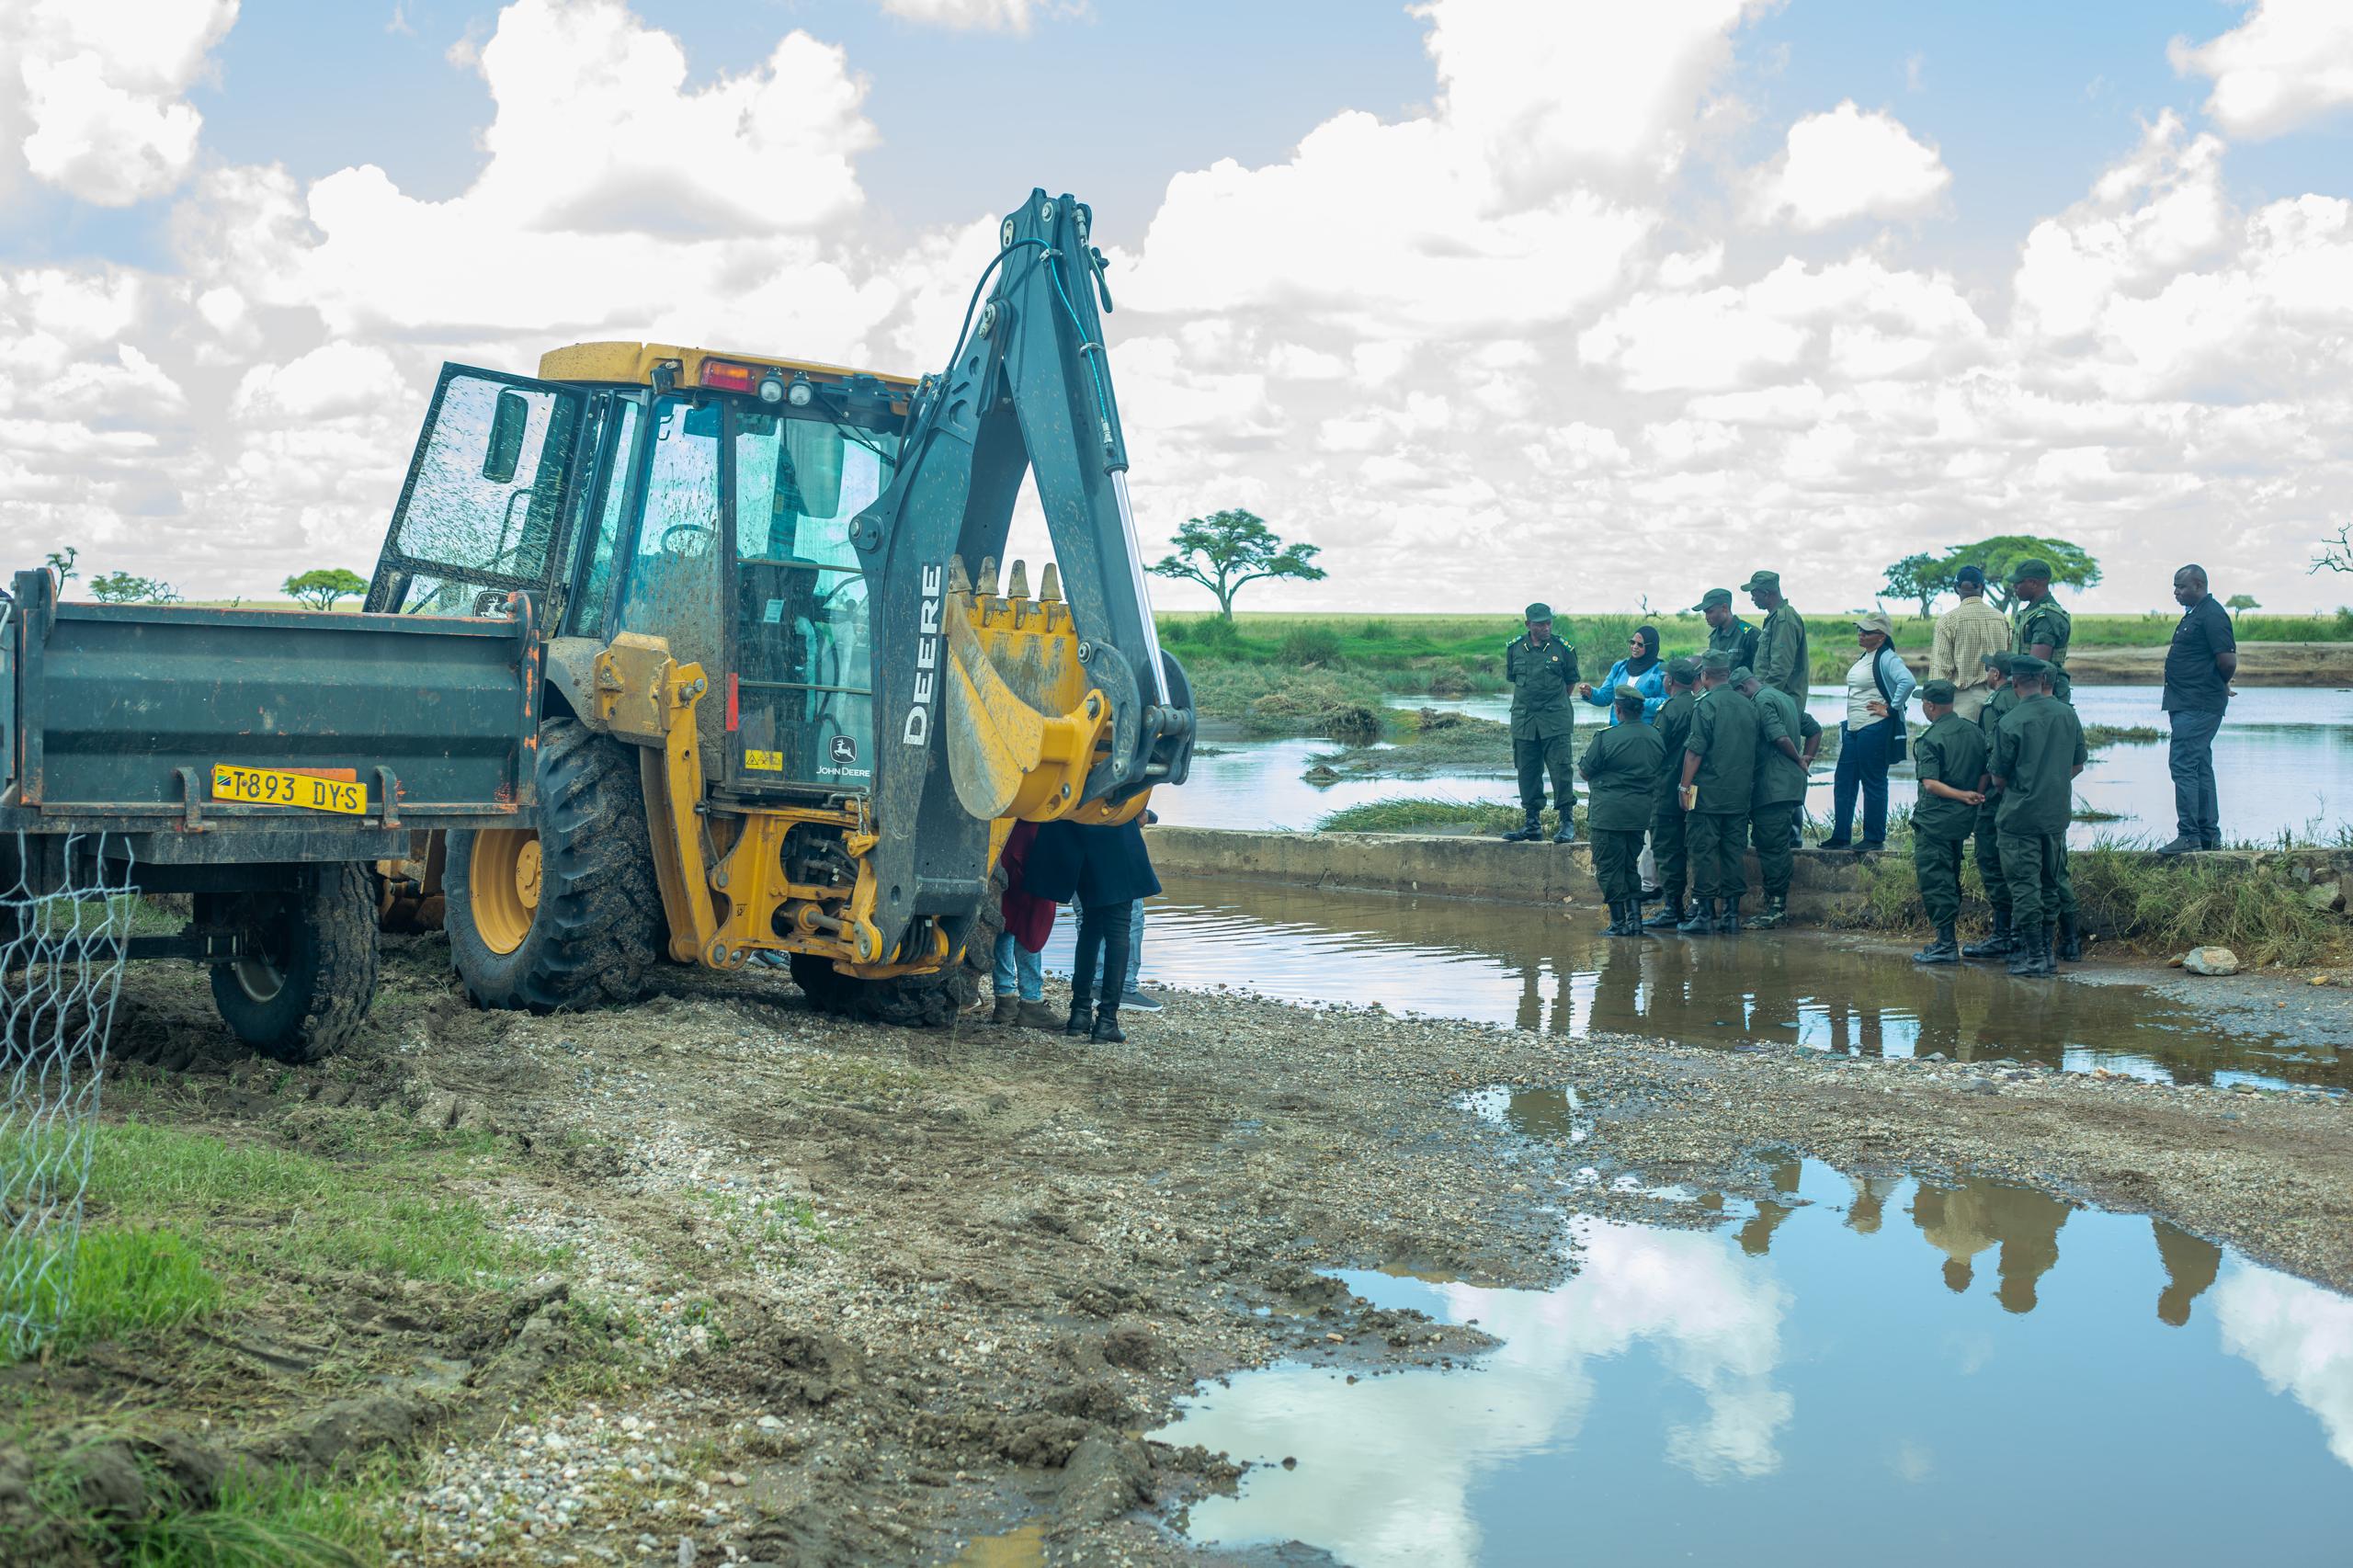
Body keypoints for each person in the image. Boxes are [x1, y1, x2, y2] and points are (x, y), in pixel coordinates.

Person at [1025, 812, 1161, 1040]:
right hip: (1113, 834)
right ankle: (1107, 1020)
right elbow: (1133, 798)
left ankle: (1080, 1013)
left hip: (1075, 838)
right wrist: (1140, 812)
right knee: (1119, 930)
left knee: (1091, 926)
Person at [1989, 657, 2085, 977]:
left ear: (2015, 683)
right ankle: (2048, 955)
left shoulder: (2010, 721)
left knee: (2024, 885)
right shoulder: (2067, 714)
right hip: (2056, 814)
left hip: (2020, 816)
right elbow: (2077, 765)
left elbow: (1999, 778)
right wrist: (2051, 785)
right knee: (2050, 880)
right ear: (2044, 680)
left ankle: (2037, 956)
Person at [1908, 679, 1990, 963]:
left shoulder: (1931, 738)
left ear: (1930, 705)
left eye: (1923, 704)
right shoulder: (1974, 731)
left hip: (1935, 822)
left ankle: (1945, 944)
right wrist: (1975, 795)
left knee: (1935, 879)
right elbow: (1985, 770)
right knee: (1951, 876)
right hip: (1962, 821)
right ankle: (1944, 940)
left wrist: (1961, 795)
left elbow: (1930, 784)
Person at [1820, 610, 1915, 852]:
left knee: (1873, 782)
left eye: (1866, 631)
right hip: (1854, 728)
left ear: (1881, 636)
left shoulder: (1887, 658)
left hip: (1874, 728)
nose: (1860, 634)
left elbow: (1908, 682)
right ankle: (1841, 835)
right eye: (1859, 630)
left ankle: (1874, 838)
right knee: (1844, 780)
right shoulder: (1866, 655)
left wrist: (1891, 709)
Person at [2159, 563, 2236, 856]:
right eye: (2175, 588)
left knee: (2182, 766)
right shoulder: (2194, 615)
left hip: (2198, 704)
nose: (2176, 593)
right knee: (2200, 766)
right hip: (2186, 703)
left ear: (2198, 585)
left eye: (2181, 587)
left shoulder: (2213, 614)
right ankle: (2208, 837)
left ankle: (2189, 836)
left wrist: (2221, 684)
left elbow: (2227, 661)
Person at [1677, 651, 1756, 933]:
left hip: (1708, 794)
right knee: (1734, 851)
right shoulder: (1748, 705)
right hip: (1739, 795)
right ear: (1728, 673)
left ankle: (1704, 914)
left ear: (1704, 675)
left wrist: (1684, 787)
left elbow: (1695, 752)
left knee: (1704, 851)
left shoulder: (1705, 706)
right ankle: (1731, 916)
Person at [1737, 667, 1820, 929]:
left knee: (1773, 846)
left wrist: (1799, 758)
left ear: (1743, 689)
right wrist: (1807, 757)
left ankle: (1777, 909)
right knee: (1768, 840)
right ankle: (1772, 902)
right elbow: (1814, 730)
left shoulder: (1761, 701)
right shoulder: (1784, 698)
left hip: (1773, 787)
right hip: (1787, 785)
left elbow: (1779, 736)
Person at [1579, 685, 1665, 935]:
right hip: (1639, 815)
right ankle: (1636, 922)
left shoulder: (1606, 737)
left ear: (1618, 709)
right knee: (1630, 866)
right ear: (1640, 709)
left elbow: (1585, 771)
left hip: (1609, 815)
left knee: (1609, 869)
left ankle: (1618, 924)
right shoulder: (1655, 736)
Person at [1503, 601, 1579, 843]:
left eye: (1548, 622)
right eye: (1540, 624)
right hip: (1525, 721)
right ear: (1528, 625)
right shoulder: (1515, 648)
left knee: (1561, 771)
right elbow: (1514, 679)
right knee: (1527, 772)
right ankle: (1532, 825)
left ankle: (1567, 823)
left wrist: (1552, 705)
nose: (1546, 627)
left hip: (1555, 720)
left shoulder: (1563, 648)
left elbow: (1570, 684)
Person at [1962, 652, 2020, 960]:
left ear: (1996, 674)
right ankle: (2024, 938)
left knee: (1993, 863)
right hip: (2029, 798)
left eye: (1988, 670)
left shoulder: (1995, 705)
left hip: (1998, 798)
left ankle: (2003, 936)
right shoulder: (2030, 701)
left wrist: (1979, 794)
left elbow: (1990, 756)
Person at [1643, 657, 1701, 929]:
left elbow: (1656, 748)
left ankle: (1672, 907)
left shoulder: (1671, 709)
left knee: (1667, 846)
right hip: (1694, 788)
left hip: (1668, 789)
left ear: (1671, 681)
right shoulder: (1700, 704)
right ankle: (1697, 906)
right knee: (1693, 844)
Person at [991, 820, 1060, 1028]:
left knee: (1002, 918)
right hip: (1033, 835)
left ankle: (1005, 1000)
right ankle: (1031, 1002)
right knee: (1031, 919)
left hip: (1002, 835)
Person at [1927, 564, 2009, 722]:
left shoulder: (1947, 621)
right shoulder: (2001, 618)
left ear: (1956, 588)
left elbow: (1940, 671)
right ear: (1982, 587)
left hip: (1963, 704)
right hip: (1998, 700)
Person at [2007, 558, 2074, 702]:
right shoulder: (2032, 611)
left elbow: (2035, 666)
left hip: (2042, 693)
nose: (2014, 586)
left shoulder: (2046, 617)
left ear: (2033, 583)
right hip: (2029, 689)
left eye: (2018, 582)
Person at [1743, 570, 1809, 703]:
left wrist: (1761, 697)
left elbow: (1780, 669)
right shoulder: (1775, 618)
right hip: (1774, 698)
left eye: (1754, 595)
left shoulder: (1784, 620)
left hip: (1781, 701)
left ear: (1766, 594)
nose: (1752, 599)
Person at [1576, 625, 1666, 722]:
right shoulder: (1619, 667)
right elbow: (1605, 697)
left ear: (1651, 647)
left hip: (1645, 730)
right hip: (1617, 729)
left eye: (1640, 644)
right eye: (1632, 642)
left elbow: (1666, 703)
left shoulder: (1662, 670)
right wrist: (1591, 693)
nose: (1634, 647)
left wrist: (1638, 702)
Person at [1694, 588, 1760, 673]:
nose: (1706, 617)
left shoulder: (1749, 633)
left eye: (1710, 612)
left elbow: (1761, 670)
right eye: (1705, 613)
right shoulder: (1714, 636)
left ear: (1724, 608)